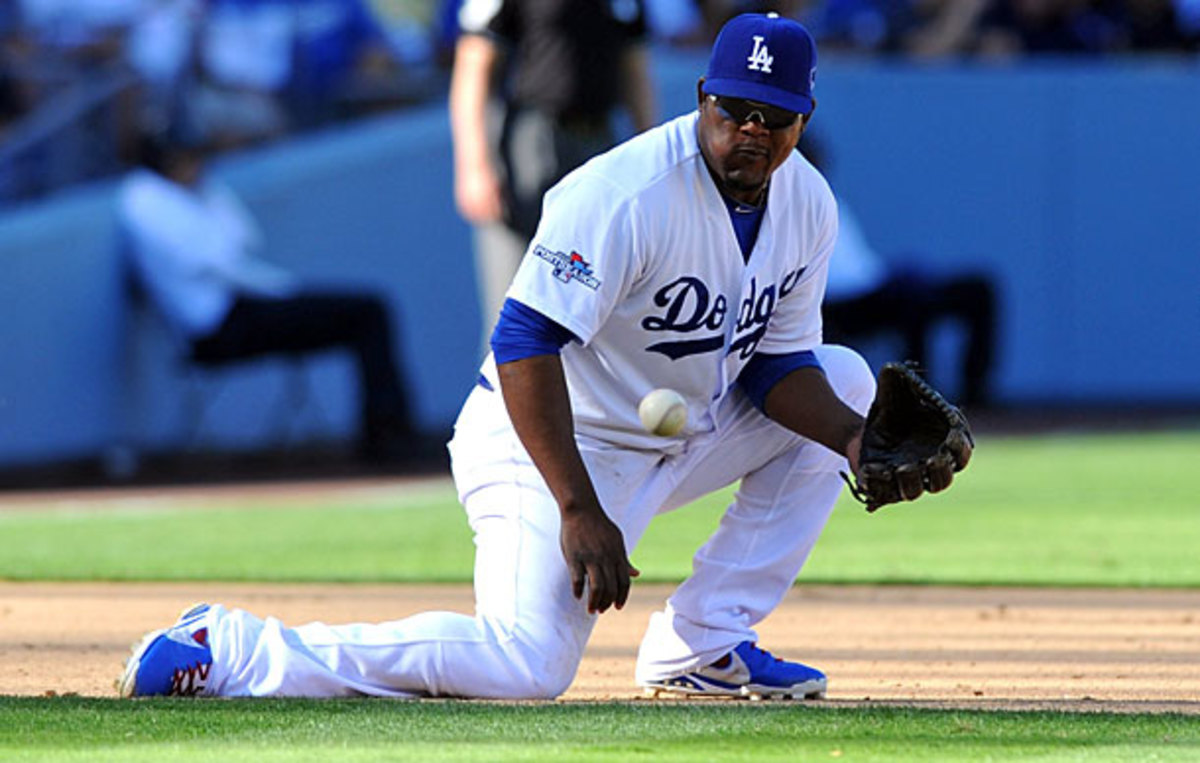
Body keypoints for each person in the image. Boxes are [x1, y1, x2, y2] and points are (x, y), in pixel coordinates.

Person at [119, 13, 962, 702]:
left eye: (772, 117)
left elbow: (776, 366)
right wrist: (577, 504)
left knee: (845, 378)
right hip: (547, 441)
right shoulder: (624, 194)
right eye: (733, 108)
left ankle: (704, 645)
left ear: (802, 121)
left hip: (677, 430)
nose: (750, 130)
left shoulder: (807, 203)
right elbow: (523, 341)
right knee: (525, 664)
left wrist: (852, 438)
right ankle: (232, 646)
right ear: (702, 97)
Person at [117, 133, 417, 464]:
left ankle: (389, 432)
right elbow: (218, 255)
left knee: (369, 307)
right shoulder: (144, 199)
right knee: (367, 312)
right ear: (166, 163)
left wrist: (205, 190)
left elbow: (245, 237)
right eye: (188, 160)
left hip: (246, 304)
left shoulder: (192, 193)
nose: (198, 169)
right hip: (219, 326)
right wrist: (203, 196)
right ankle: (387, 440)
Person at [448, 0, 658, 350]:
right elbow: (474, 62)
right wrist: (474, 165)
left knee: (594, 301)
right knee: (515, 304)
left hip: (598, 141)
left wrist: (647, 153)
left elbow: (633, 65)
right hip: (531, 141)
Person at [802, 137, 998, 408]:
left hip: (876, 283)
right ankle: (920, 402)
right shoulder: (787, 210)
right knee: (912, 302)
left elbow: (860, 265)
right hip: (843, 303)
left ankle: (976, 393)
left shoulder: (831, 200)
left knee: (978, 289)